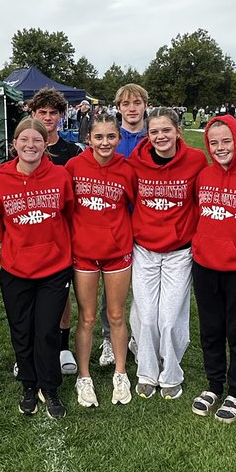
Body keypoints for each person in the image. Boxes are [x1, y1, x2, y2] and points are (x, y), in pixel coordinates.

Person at [0, 118, 74, 419]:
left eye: (37, 139)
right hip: (16, 269)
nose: (30, 145)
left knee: (46, 330)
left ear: (46, 143)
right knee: (21, 330)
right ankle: (27, 383)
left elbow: (69, 212)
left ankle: (49, 388)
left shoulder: (60, 176)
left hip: (54, 268)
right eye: (24, 139)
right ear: (15, 144)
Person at [128, 106, 206, 399]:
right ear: (147, 135)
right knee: (146, 317)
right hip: (145, 249)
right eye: (154, 131)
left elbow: (202, 199)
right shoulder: (136, 163)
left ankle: (171, 372)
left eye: (166, 130)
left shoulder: (196, 161)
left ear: (177, 132)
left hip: (179, 251)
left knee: (171, 318)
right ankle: (147, 370)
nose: (160, 136)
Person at [190, 114, 236, 423]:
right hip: (205, 265)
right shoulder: (203, 176)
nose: (220, 148)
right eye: (214, 142)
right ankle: (214, 384)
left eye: (226, 141)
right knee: (211, 329)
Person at [66, 113, 137, 408]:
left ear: (119, 139)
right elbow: (67, 206)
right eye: (99, 137)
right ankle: (84, 376)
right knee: (87, 317)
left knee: (117, 315)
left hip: (117, 252)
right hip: (83, 253)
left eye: (111, 136)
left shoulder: (127, 169)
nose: (105, 142)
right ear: (88, 139)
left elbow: (136, 206)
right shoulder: (74, 166)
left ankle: (120, 373)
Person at [26, 88, 82, 376]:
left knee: (62, 293)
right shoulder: (24, 147)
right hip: (30, 235)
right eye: (42, 112)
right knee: (30, 296)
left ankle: (61, 346)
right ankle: (30, 348)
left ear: (61, 116)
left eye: (53, 112)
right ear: (33, 114)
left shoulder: (71, 152)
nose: (47, 117)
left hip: (62, 234)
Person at [95, 82, 149, 368]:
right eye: (126, 104)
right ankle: (108, 337)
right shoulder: (111, 137)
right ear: (118, 108)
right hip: (112, 221)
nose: (131, 108)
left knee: (140, 287)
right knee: (110, 287)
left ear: (144, 106)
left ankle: (138, 336)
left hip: (145, 222)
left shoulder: (152, 137)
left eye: (137, 103)